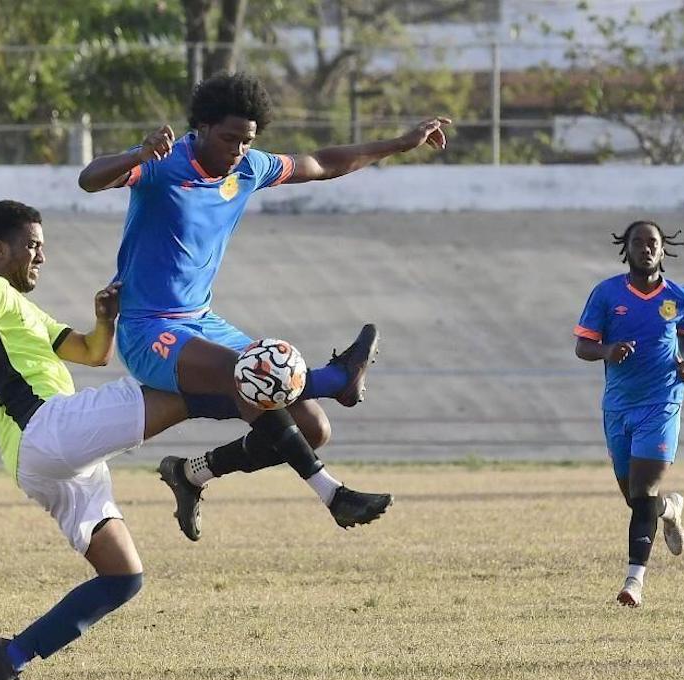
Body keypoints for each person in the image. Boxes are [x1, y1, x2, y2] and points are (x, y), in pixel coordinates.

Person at [0, 201, 385, 680]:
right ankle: (331, 381)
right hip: (49, 429)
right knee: (189, 386)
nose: (41, 254)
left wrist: (104, 320)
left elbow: (92, 353)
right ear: (0, 249)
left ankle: (9, 654)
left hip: (47, 464)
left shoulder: (22, 308)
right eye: (32, 245)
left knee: (123, 578)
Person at [79, 72, 448, 539]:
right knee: (253, 374)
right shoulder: (164, 164)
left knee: (313, 428)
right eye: (229, 138)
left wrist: (399, 144)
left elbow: (321, 161)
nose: (237, 150)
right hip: (149, 330)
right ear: (202, 128)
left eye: (247, 140)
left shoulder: (248, 169)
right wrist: (136, 153)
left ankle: (192, 473)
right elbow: (89, 180)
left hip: (204, 322)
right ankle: (333, 471)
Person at [574, 220, 684, 607]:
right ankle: (670, 508)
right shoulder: (607, 294)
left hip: (661, 403)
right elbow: (582, 346)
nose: (646, 248)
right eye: (638, 242)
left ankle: (634, 583)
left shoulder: (680, 296)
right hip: (618, 407)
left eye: (653, 243)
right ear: (625, 249)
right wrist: (607, 351)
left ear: (663, 250)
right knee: (636, 499)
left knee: (642, 491)